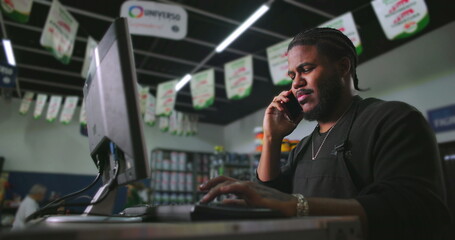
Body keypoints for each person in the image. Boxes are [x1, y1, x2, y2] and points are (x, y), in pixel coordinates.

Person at [199, 28, 450, 239]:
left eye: (306, 69)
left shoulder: (392, 119)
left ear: (342, 67)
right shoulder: (305, 146)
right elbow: (272, 194)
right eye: (292, 75)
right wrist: (273, 139)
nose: (296, 82)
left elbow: (415, 209)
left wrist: (297, 206)